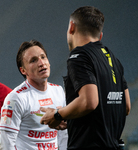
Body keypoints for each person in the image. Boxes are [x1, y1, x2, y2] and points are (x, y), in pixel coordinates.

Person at [40, 6, 131, 150]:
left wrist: (57, 115)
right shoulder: (113, 59)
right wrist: (69, 115)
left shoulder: (79, 56)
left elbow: (89, 102)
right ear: (100, 35)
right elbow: (125, 106)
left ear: (72, 27)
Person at [0, 40, 68, 150]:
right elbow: (6, 143)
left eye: (43, 57)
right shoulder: (15, 98)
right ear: (23, 70)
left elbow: (64, 135)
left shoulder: (59, 91)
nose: (41, 63)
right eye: (33, 60)